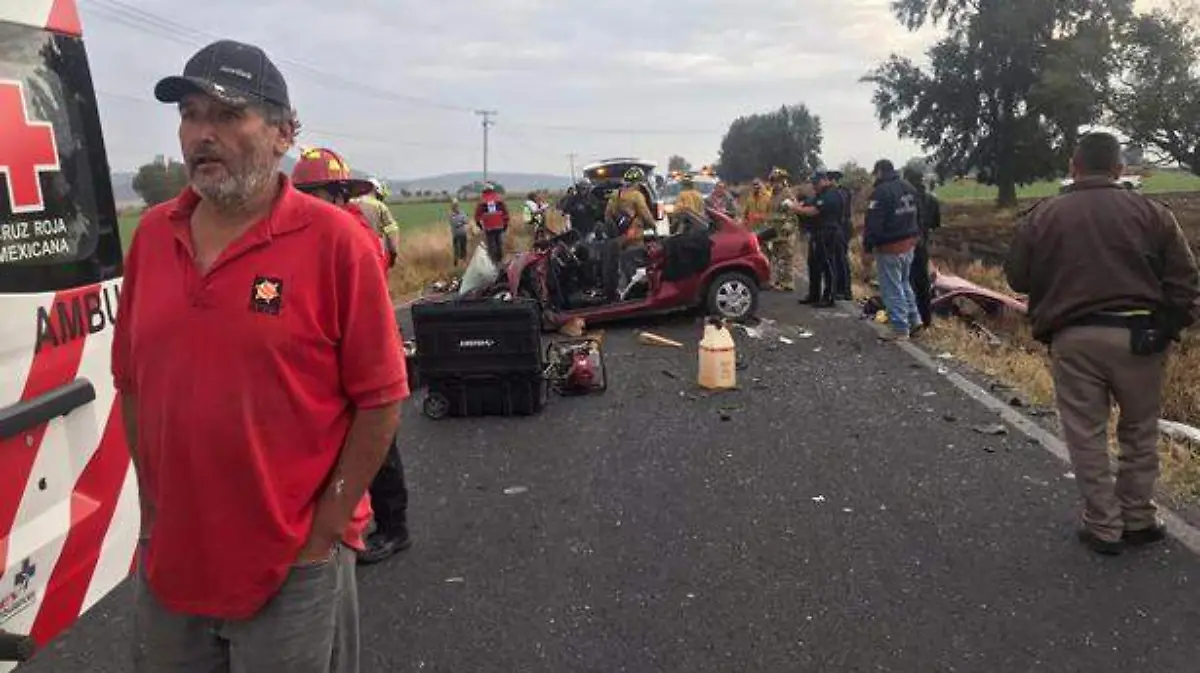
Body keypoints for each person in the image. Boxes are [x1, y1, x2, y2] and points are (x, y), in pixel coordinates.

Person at [114, 39, 408, 673]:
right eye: (192, 115)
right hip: (174, 559)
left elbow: (381, 398)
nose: (203, 135)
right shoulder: (151, 240)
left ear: (282, 133)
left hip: (291, 566)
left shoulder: (337, 244)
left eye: (227, 115)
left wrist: (327, 526)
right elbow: (133, 384)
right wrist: (153, 510)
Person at [1004, 131, 1200, 556]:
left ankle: (1103, 526)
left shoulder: (1042, 216)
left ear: (1074, 168)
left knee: (1086, 434)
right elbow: (1185, 277)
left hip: (1074, 338)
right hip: (1140, 339)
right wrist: (1167, 325)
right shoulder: (1153, 213)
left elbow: (1017, 278)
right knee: (1139, 431)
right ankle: (1139, 518)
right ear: (1119, 169)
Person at [289, 149, 414, 567]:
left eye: (315, 194)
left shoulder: (352, 235)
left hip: (362, 351)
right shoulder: (311, 233)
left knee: (377, 440)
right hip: (325, 354)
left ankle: (395, 528)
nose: (306, 203)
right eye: (302, 194)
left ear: (340, 195)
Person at [863, 159, 923, 341]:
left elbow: (873, 224)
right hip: (909, 243)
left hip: (890, 246)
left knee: (892, 287)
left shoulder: (881, 193)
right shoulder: (909, 187)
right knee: (904, 283)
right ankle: (914, 319)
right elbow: (919, 215)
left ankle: (900, 328)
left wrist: (868, 248)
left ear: (880, 172)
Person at [788, 171, 843, 307]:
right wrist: (799, 204)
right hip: (817, 233)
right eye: (813, 183)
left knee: (827, 265)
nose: (814, 185)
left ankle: (829, 297)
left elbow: (813, 211)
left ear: (824, 180)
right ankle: (814, 295)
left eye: (816, 182)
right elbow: (808, 203)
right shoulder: (820, 194)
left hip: (828, 232)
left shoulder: (831, 195)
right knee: (813, 264)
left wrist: (796, 209)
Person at [603, 166, 658, 297]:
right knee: (635, 264)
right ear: (638, 182)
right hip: (634, 236)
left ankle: (620, 290)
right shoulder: (637, 196)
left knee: (621, 263)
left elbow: (607, 215)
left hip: (620, 237)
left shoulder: (615, 194)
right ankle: (635, 293)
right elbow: (645, 215)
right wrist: (654, 226)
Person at [902, 167, 942, 328]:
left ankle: (911, 319)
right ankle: (926, 318)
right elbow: (935, 224)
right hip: (923, 242)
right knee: (923, 281)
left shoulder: (906, 198)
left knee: (907, 280)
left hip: (907, 242)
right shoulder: (932, 199)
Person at [356, 177, 401, 269]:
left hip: (354, 252)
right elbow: (392, 232)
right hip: (374, 252)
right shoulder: (380, 207)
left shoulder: (350, 204)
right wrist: (393, 254)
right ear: (376, 190)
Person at [764, 167, 797, 292]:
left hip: (785, 232)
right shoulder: (773, 195)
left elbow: (793, 213)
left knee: (786, 257)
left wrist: (788, 226)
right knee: (777, 257)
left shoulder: (787, 194)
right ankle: (779, 280)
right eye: (773, 181)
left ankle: (788, 283)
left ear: (782, 181)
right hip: (774, 231)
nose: (774, 183)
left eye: (777, 181)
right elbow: (770, 212)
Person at [827, 170, 854, 300]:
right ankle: (840, 289)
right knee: (838, 258)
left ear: (833, 180)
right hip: (842, 226)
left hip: (842, 227)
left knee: (841, 258)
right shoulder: (843, 192)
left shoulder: (840, 193)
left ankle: (845, 290)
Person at [474, 183, 510, 263]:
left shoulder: (482, 200)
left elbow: (477, 215)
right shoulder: (499, 199)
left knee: (491, 244)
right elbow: (505, 212)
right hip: (499, 225)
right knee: (499, 243)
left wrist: (479, 225)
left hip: (488, 226)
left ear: (484, 191)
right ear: (493, 190)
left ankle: (494, 262)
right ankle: (500, 261)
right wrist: (505, 224)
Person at [449, 200, 470, 266]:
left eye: (456, 205)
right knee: (457, 249)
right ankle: (457, 262)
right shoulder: (451, 214)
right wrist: (462, 222)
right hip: (457, 234)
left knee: (463, 248)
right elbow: (454, 223)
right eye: (454, 205)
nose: (455, 207)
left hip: (461, 233)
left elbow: (466, 221)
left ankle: (463, 262)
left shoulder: (460, 213)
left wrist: (462, 221)